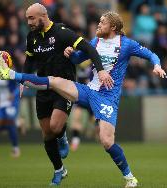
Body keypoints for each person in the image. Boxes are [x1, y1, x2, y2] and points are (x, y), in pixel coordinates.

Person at [0, 11, 166, 187]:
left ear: (113, 27)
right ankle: (12, 75)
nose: (98, 25)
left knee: (107, 142)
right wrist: (71, 53)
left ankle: (130, 177)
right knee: (55, 82)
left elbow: (150, 54)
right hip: (87, 90)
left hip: (107, 98)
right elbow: (78, 59)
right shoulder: (96, 42)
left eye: (102, 22)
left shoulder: (127, 45)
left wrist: (157, 65)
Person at [20, 3, 113, 185]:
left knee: (55, 127)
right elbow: (29, 60)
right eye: (27, 19)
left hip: (64, 88)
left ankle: (62, 136)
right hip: (43, 87)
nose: (28, 22)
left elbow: (89, 48)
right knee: (47, 134)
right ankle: (59, 170)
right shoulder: (32, 37)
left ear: (43, 16)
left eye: (31, 18)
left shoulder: (62, 32)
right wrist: (23, 80)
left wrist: (101, 71)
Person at [0, 72, 20, 158]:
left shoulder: (10, 72)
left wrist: (13, 95)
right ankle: (18, 123)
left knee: (10, 124)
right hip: (1, 104)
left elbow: (20, 86)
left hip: (11, 103)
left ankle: (15, 148)